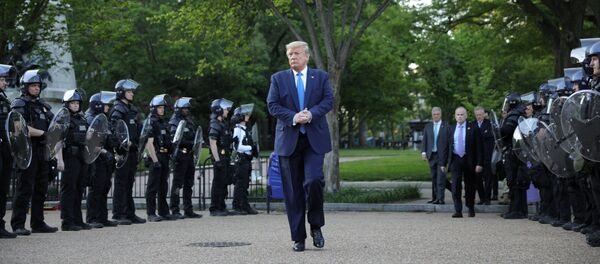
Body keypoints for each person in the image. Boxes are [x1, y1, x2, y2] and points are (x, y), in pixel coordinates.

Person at [267, 40, 333, 252]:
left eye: (296, 54)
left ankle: (316, 226)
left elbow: (328, 100)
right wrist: (294, 117)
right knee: (293, 191)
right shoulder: (278, 78)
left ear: (306, 56)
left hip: (314, 139)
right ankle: (298, 237)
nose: (292, 57)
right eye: (289, 54)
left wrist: (312, 113)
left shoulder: (320, 76)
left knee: (314, 180)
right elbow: (273, 105)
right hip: (288, 140)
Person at [10, 69, 58, 235]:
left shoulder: (43, 106)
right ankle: (18, 224)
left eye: (38, 85)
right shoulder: (20, 104)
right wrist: (44, 133)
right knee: (25, 188)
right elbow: (19, 127)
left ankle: (38, 223)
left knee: (41, 188)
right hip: (27, 151)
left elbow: (55, 125)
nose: (37, 88)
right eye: (33, 85)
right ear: (25, 87)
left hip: (42, 151)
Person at [55, 90, 94, 231]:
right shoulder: (62, 119)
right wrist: (60, 160)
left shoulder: (82, 119)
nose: (75, 105)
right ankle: (67, 221)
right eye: (72, 103)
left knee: (79, 189)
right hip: (69, 158)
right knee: (69, 189)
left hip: (81, 158)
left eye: (77, 103)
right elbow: (57, 140)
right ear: (67, 104)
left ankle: (78, 220)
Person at [110, 79, 145, 225]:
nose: (132, 94)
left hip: (132, 150)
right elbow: (115, 130)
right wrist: (122, 145)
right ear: (121, 92)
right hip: (123, 151)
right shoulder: (118, 109)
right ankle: (119, 214)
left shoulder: (132, 109)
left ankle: (130, 213)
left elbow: (137, 130)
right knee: (121, 183)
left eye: (132, 91)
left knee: (129, 182)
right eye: (129, 91)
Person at [440, 106, 483, 218]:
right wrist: (443, 163)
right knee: (455, 186)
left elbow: (479, 148)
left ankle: (470, 207)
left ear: (466, 116)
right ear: (455, 116)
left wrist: (479, 163)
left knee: (470, 185)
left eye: (462, 114)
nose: (459, 116)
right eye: (458, 115)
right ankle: (458, 210)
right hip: (455, 160)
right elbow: (446, 147)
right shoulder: (450, 129)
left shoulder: (473, 128)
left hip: (469, 160)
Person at [85, 91, 119, 228]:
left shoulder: (104, 119)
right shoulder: (90, 119)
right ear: (98, 105)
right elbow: (90, 140)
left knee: (105, 187)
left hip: (106, 159)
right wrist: (104, 152)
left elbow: (109, 139)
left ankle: (102, 217)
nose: (108, 107)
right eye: (106, 105)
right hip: (96, 158)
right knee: (96, 189)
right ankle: (92, 218)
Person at [169, 97, 202, 219]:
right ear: (178, 109)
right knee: (178, 183)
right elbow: (175, 139)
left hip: (189, 155)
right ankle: (175, 209)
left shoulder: (189, 121)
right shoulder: (174, 122)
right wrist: (189, 143)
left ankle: (188, 209)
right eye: (184, 108)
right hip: (180, 155)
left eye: (187, 108)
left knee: (189, 183)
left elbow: (195, 137)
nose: (186, 110)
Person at [144, 94, 174, 222]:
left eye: (162, 107)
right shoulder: (151, 121)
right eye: (159, 107)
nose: (162, 109)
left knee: (163, 186)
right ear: (153, 108)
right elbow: (149, 142)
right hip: (156, 156)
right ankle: (151, 213)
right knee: (152, 186)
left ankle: (164, 211)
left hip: (165, 156)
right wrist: (155, 160)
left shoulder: (163, 122)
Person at [231, 104, 259, 215]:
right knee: (240, 184)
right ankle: (237, 205)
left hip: (246, 160)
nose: (247, 116)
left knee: (245, 183)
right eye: (245, 114)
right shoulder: (238, 129)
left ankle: (244, 204)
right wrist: (251, 148)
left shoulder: (244, 129)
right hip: (241, 160)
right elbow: (236, 147)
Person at [208, 98, 234, 217]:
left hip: (225, 157)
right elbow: (212, 143)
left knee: (223, 182)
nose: (228, 111)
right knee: (218, 183)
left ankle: (221, 206)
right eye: (225, 109)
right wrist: (217, 159)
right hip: (220, 157)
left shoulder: (222, 124)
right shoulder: (215, 124)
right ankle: (214, 208)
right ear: (218, 110)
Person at [420, 107, 451, 204]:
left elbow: (449, 143)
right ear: (432, 115)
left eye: (437, 114)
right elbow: (425, 140)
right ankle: (434, 198)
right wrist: (423, 152)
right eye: (434, 114)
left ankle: (440, 199)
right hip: (431, 155)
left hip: (442, 156)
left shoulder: (446, 126)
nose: (436, 116)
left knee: (441, 178)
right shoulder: (428, 126)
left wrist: (448, 157)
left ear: (440, 115)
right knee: (434, 177)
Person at [0, 64, 16, 238]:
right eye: (2, 79)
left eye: (4, 79)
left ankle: (0, 224)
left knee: (3, 188)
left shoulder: (5, 100)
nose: (5, 83)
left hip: (5, 149)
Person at [474, 106, 492, 205]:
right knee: (478, 178)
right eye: (477, 115)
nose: (479, 117)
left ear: (484, 114)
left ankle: (488, 198)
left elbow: (490, 137)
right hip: (476, 157)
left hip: (487, 155)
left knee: (488, 178)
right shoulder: (472, 125)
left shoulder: (489, 124)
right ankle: (482, 198)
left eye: (480, 115)